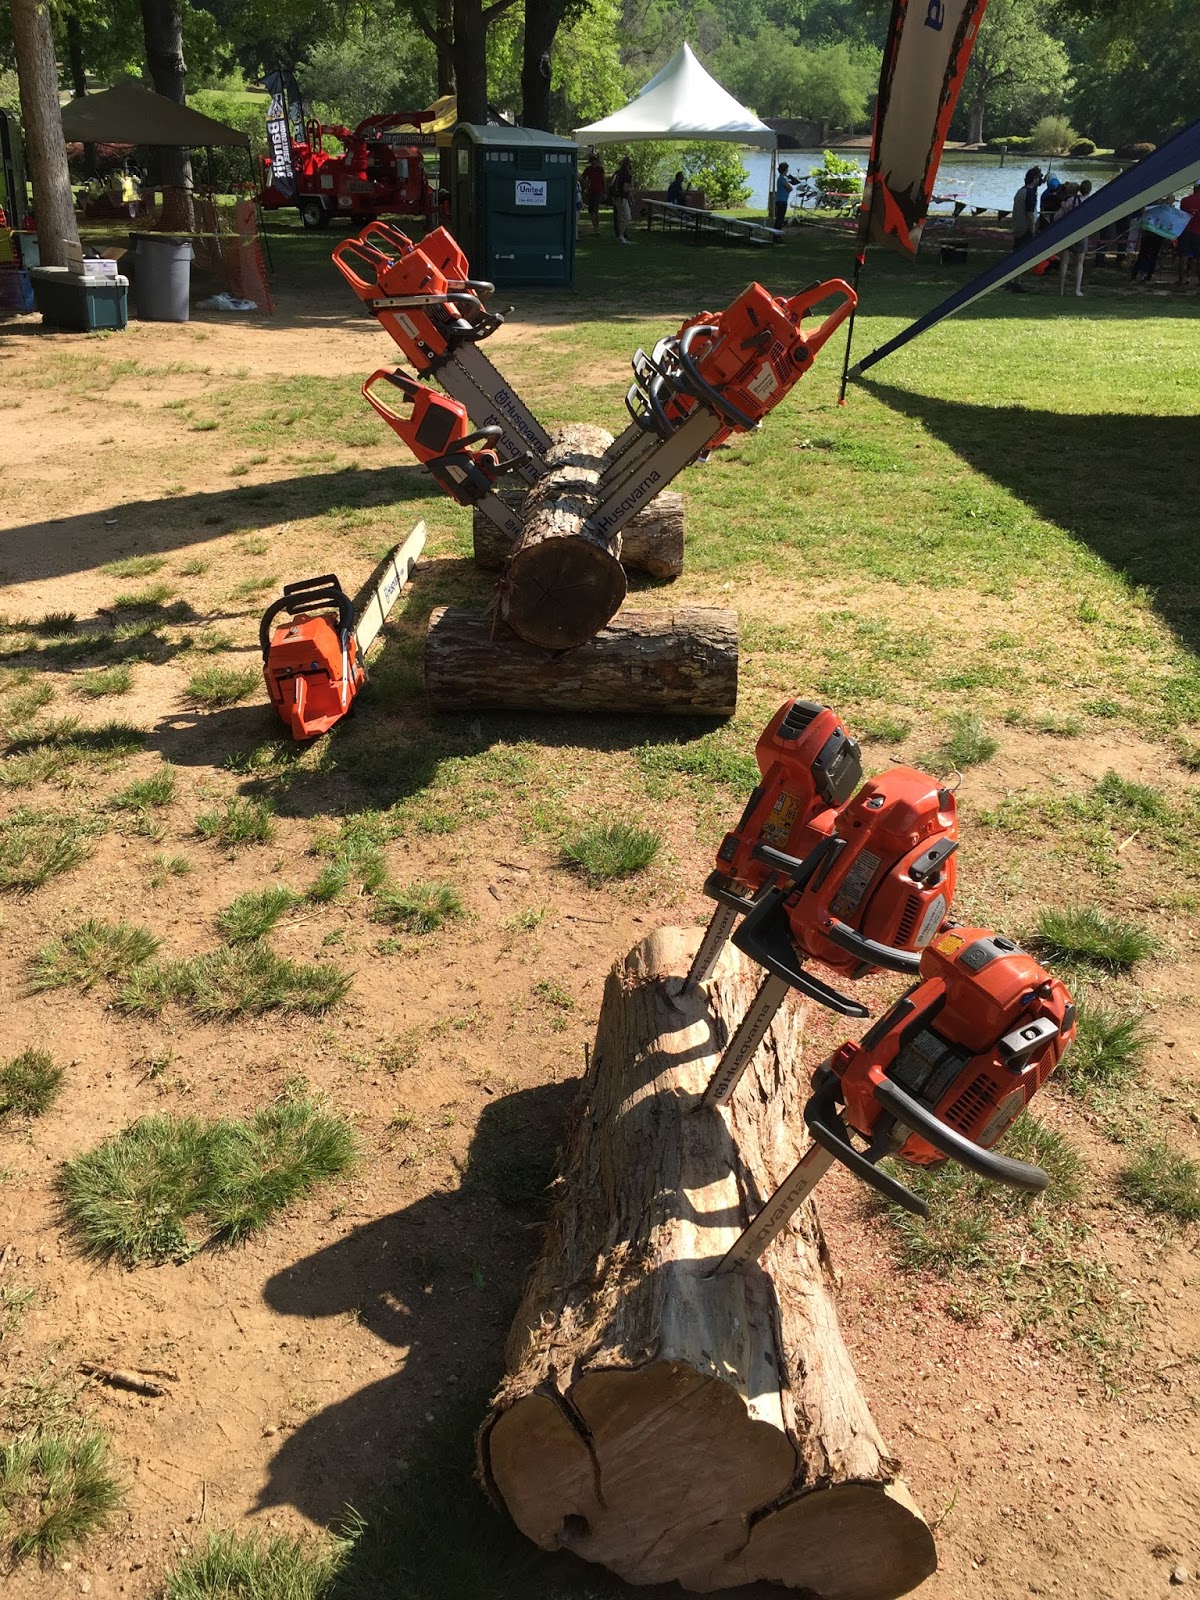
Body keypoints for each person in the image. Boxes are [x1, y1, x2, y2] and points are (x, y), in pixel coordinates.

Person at [1006, 165, 1042, 291]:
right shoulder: (1030, 193)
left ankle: (1010, 281)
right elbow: (1029, 214)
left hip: (1017, 227)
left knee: (1015, 255)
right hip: (1025, 229)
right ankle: (1016, 284)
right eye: (1039, 178)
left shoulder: (1020, 191)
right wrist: (1032, 230)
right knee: (1020, 257)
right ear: (1034, 179)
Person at [1057, 179, 1091, 298]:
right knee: (1079, 263)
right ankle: (1077, 289)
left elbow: (1061, 212)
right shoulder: (1089, 201)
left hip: (1068, 232)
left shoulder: (1070, 201)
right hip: (1081, 233)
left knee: (1064, 262)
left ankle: (1061, 289)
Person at [1177, 179, 1200, 286]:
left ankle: (1182, 279)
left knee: (1184, 256)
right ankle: (1197, 280)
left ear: (1195, 188)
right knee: (1197, 257)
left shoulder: (1185, 200)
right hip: (1198, 232)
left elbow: (1182, 215)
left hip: (1185, 231)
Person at [583, 150, 606, 237]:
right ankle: (595, 228)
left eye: (595, 160)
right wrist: (586, 186)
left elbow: (604, 181)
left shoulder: (600, 169)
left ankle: (597, 228)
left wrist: (604, 191)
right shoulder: (588, 169)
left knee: (595, 209)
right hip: (590, 191)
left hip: (598, 191)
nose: (594, 161)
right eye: (592, 160)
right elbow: (583, 178)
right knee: (592, 210)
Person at [612, 155, 634, 244]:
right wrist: (633, 188)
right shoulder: (626, 174)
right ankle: (621, 235)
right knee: (627, 217)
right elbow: (625, 189)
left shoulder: (618, 172)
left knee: (621, 217)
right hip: (622, 198)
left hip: (617, 197)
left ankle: (620, 236)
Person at [774, 162, 797, 229]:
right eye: (787, 169)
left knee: (779, 217)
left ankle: (777, 231)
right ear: (785, 169)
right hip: (782, 200)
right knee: (780, 218)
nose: (788, 170)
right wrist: (787, 192)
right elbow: (790, 188)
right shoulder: (783, 178)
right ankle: (777, 233)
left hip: (779, 199)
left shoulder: (780, 178)